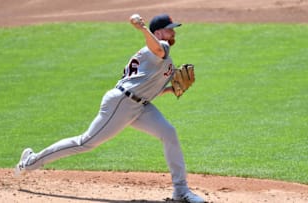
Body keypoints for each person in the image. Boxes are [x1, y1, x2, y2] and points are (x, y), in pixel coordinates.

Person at [15, 14, 205, 203]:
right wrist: (142, 29)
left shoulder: (164, 59)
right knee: (85, 143)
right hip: (121, 103)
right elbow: (156, 47)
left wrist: (170, 90)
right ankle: (30, 162)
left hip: (140, 106)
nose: (173, 31)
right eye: (169, 28)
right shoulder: (159, 47)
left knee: (169, 133)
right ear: (158, 32)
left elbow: (145, 88)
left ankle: (180, 191)